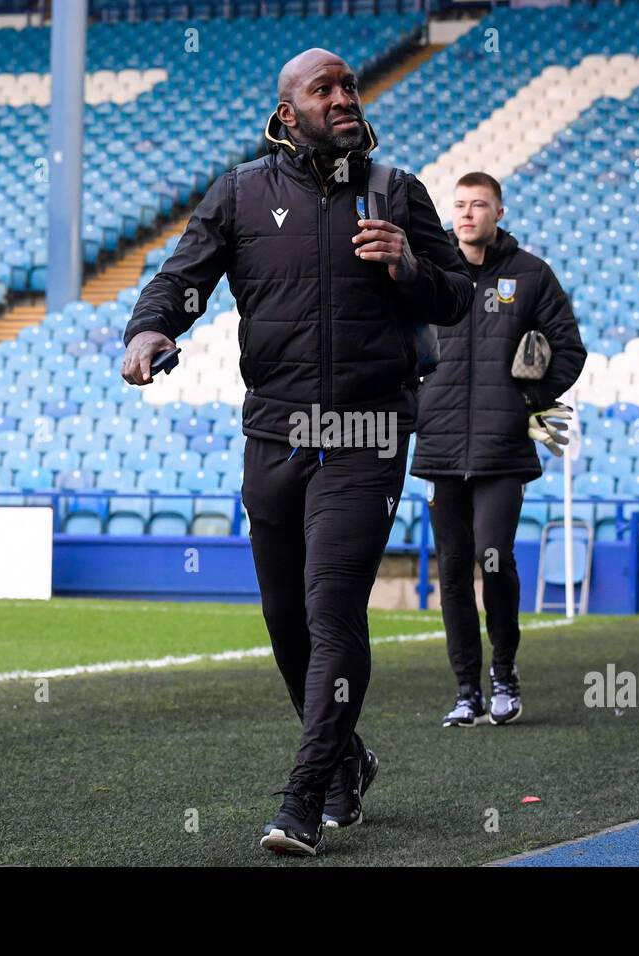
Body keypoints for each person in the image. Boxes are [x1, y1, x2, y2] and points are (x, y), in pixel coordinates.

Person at [120, 48, 472, 856]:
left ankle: (303, 799)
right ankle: (349, 761)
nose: (345, 97)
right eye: (327, 89)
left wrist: (409, 265)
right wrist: (150, 328)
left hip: (369, 429)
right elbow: (183, 275)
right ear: (287, 113)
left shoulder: (396, 192)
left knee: (332, 605)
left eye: (350, 86)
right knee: (286, 622)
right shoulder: (241, 192)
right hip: (274, 431)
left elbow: (455, 295)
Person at [410, 172, 585, 728]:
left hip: (503, 449)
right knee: (455, 571)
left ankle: (504, 674)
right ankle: (467, 692)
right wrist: (412, 399)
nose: (467, 214)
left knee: (495, 559)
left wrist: (527, 399)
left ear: (499, 211)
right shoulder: (429, 272)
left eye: (478, 204)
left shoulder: (531, 274)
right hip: (438, 446)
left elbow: (570, 350)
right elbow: (392, 336)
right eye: (459, 205)